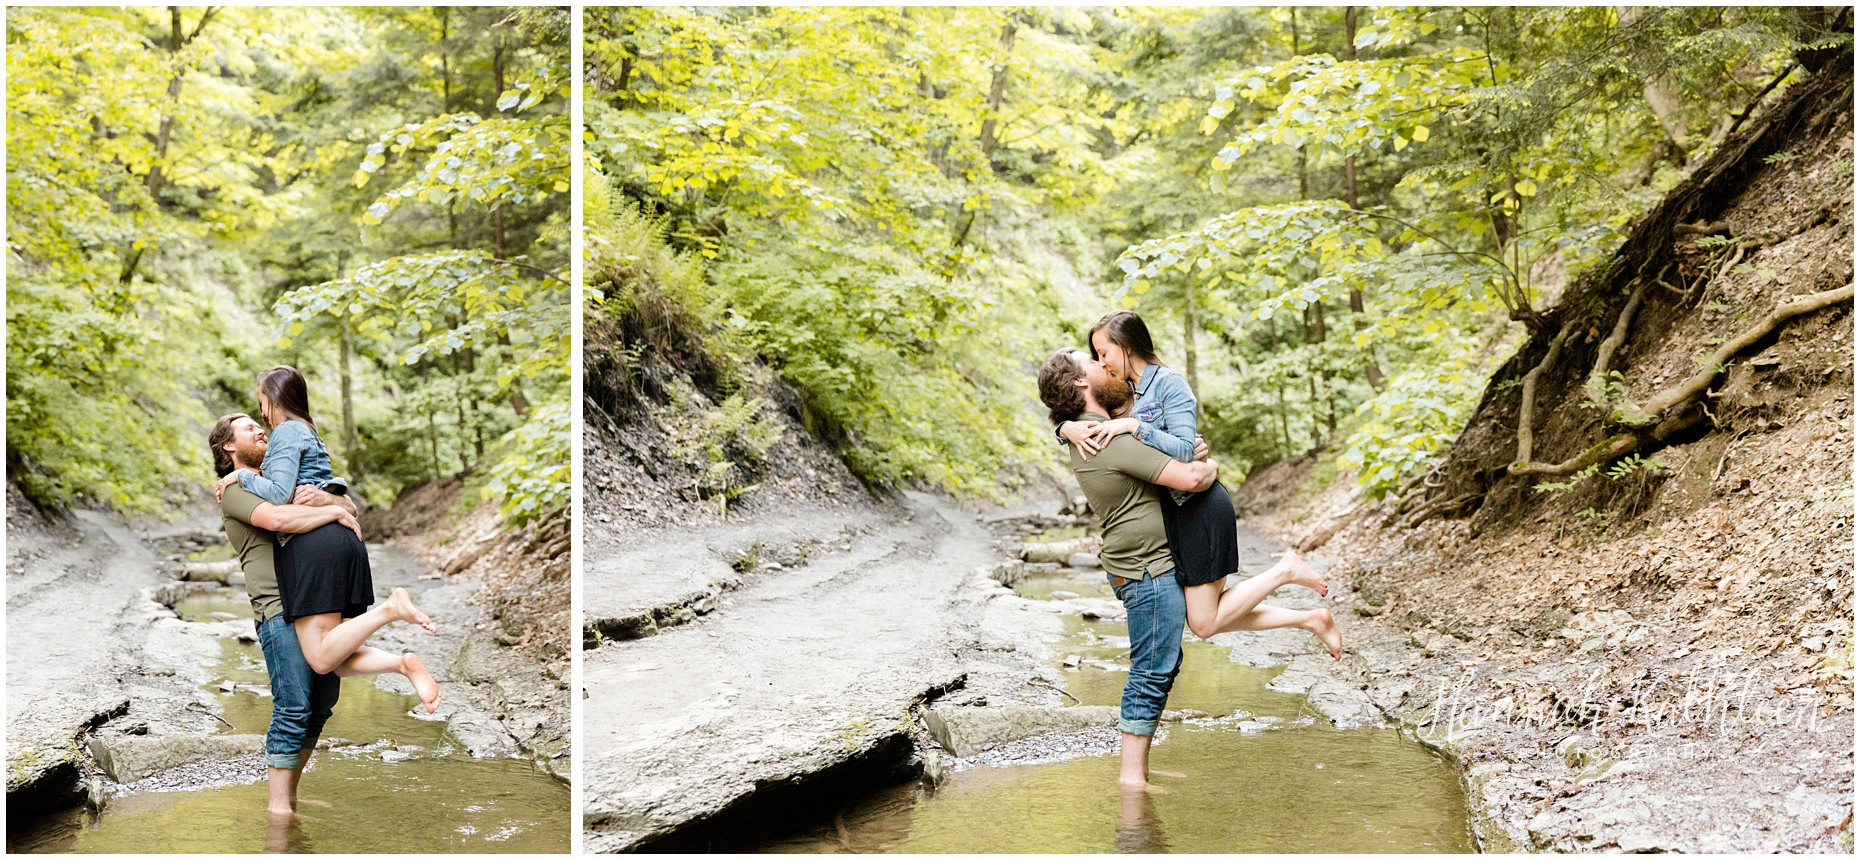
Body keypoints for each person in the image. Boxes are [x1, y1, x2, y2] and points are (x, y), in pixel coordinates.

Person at [1037, 347, 1342, 791]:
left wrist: (1064, 425)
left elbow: (1124, 419)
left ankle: (1139, 771)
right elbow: (1191, 478)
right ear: (1081, 384)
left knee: (1179, 646)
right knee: (1152, 668)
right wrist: (1211, 463)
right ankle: (1131, 781)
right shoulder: (1106, 437)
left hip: (1150, 559)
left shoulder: (1090, 431)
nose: (1104, 365)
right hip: (1144, 567)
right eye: (1092, 364)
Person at [209, 412, 443, 816]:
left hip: (314, 600)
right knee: (293, 706)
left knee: (319, 706)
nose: (260, 430)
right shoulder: (235, 491)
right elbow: (281, 519)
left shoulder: (277, 480)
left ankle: (291, 797)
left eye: (258, 424)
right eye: (248, 428)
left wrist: (334, 502)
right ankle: (279, 812)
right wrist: (333, 514)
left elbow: (348, 502)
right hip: (278, 608)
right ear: (229, 447)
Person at [1056, 310, 1336, 642]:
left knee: (1203, 622)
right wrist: (1065, 427)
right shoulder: (1128, 392)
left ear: (1126, 346)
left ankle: (1286, 573)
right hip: (1177, 512)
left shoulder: (1169, 383)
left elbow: (1186, 450)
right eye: (1096, 357)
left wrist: (1136, 426)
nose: (1101, 364)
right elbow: (1092, 414)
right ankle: (1310, 618)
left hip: (1199, 505)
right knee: (1206, 615)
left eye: (1103, 353)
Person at [214, 368, 441, 702]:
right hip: (345, 543)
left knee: (320, 657)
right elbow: (341, 499)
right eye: (250, 426)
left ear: (275, 398)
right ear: (229, 445)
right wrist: (335, 504)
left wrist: (241, 478)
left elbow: (278, 506)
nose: (262, 416)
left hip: (317, 548)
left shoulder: (286, 435)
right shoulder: (308, 432)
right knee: (336, 657)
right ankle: (402, 664)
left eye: (262, 403)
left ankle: (391, 609)